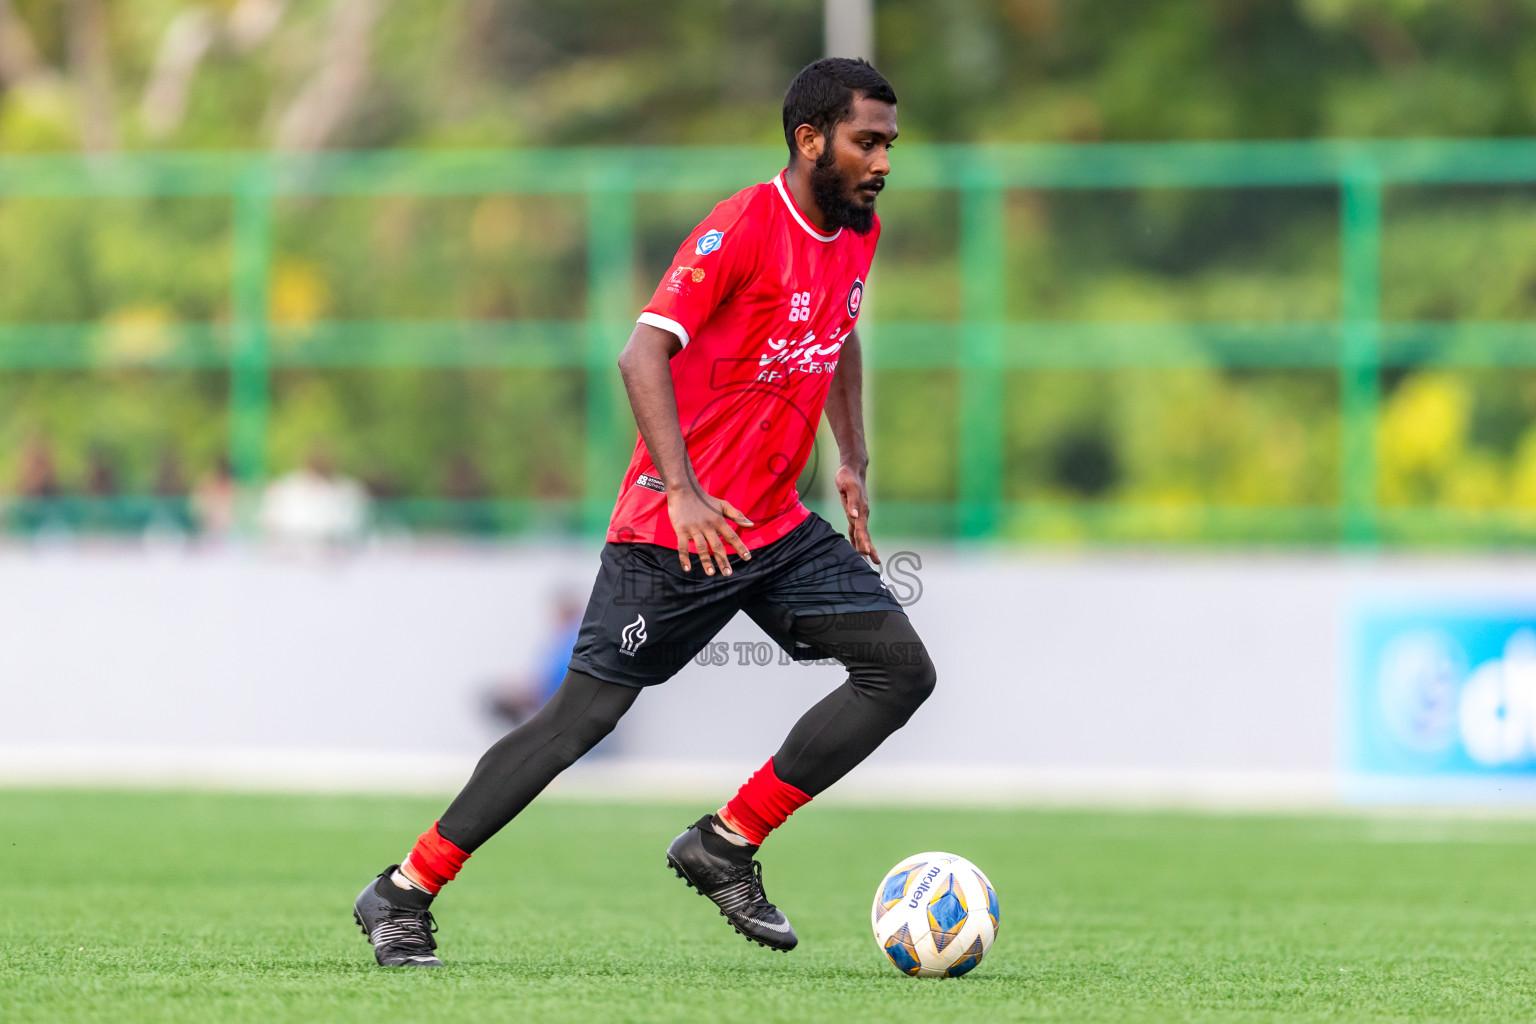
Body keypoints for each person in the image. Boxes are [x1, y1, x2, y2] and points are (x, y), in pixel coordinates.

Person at [353, 57, 934, 968]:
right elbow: (641, 355)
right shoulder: (740, 228)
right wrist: (686, 489)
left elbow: (841, 329)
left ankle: (726, 843)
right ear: (809, 139)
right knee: (577, 722)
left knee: (899, 672)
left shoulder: (857, 229)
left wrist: (849, 455)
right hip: (675, 534)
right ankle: (403, 889)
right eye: (868, 142)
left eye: (890, 144)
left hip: (775, 526)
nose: (884, 161)